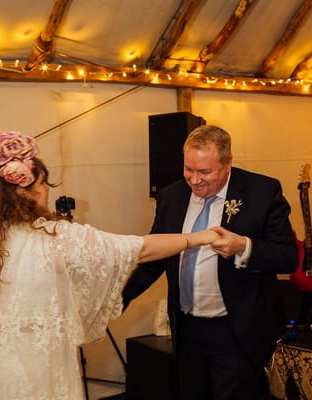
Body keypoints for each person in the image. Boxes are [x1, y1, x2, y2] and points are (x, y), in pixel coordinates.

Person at [0, 131, 218, 399]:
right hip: (36, 369)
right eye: (42, 186)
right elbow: (140, 248)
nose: (45, 194)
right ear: (26, 190)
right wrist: (199, 237)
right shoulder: (53, 238)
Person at [122, 125, 298, 400]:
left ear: (228, 163)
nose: (194, 180)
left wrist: (244, 246)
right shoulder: (171, 196)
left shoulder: (261, 191)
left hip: (236, 328)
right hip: (186, 327)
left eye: (205, 172)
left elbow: (288, 256)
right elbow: (155, 259)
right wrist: (119, 297)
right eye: (188, 169)